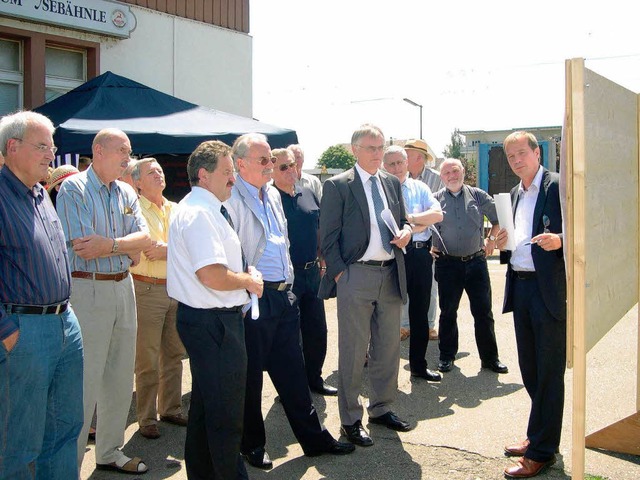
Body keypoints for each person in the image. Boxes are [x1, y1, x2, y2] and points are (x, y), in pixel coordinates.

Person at [225, 133, 355, 470]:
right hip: (254, 297)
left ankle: (314, 439)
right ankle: (252, 445)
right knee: (251, 377)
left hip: (285, 294)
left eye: (271, 159)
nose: (271, 166)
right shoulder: (230, 199)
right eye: (263, 160)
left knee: (294, 373)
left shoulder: (269, 193)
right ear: (241, 164)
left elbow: (280, 243)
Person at [57, 128, 152, 475]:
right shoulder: (73, 188)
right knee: (85, 380)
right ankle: (71, 462)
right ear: (98, 150)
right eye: (122, 151)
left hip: (122, 286)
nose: (128, 158)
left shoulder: (126, 190)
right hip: (88, 289)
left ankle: (109, 451)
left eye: (129, 151)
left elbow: (144, 237)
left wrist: (112, 246)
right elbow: (84, 246)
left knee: (119, 374)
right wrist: (126, 246)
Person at [167, 140, 263, 479]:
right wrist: (248, 282)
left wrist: (242, 276)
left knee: (207, 411)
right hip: (214, 325)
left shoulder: (203, 209)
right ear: (204, 175)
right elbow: (211, 275)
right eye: (228, 172)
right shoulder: (199, 213)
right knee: (225, 417)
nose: (233, 179)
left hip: (210, 322)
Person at [0, 110, 84, 479]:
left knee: (65, 428)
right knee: (19, 440)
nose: (51, 154)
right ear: (12, 147)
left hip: (64, 322)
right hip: (24, 329)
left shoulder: (41, 194)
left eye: (53, 146)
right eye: (42, 146)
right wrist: (6, 329)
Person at [319, 124, 413, 447]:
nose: (377, 154)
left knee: (388, 347)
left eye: (381, 148)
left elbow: (403, 221)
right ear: (354, 149)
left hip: (390, 273)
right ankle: (349, 419)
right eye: (371, 148)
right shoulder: (338, 186)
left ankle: (382, 408)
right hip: (355, 276)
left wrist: (407, 233)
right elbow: (327, 237)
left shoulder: (391, 183)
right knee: (354, 350)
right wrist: (340, 274)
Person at [496, 131, 566, 478]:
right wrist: (499, 242)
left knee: (549, 372)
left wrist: (562, 240)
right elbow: (513, 245)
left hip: (548, 289)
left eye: (522, 153)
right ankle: (539, 434)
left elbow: (585, 226)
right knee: (531, 370)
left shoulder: (557, 185)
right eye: (511, 157)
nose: (517, 160)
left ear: (537, 153)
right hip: (521, 287)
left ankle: (541, 452)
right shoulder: (513, 194)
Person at [431, 158, 508, 375]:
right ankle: (446, 357)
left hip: (476, 263)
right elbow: (424, 228)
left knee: (483, 312)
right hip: (447, 264)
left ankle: (490, 359)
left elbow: (498, 219)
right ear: (441, 177)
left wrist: (492, 240)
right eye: (446, 173)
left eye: (455, 171)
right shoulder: (434, 200)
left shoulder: (478, 195)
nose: (451, 176)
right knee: (447, 313)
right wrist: (429, 246)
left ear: (462, 171)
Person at [271, 148, 336, 396]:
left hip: (312, 273)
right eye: (283, 167)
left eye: (292, 165)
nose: (290, 171)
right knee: (289, 335)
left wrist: (323, 261)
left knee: (317, 330)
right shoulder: (270, 198)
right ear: (272, 171)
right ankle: (291, 387)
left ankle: (314, 379)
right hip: (287, 277)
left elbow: (319, 228)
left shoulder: (308, 192)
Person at [130, 158, 186, 440]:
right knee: (148, 357)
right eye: (151, 172)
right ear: (137, 181)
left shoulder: (175, 208)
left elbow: (188, 246)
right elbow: (146, 247)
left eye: (160, 171)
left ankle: (171, 408)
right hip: (146, 289)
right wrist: (169, 249)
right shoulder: (132, 208)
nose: (159, 175)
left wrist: (168, 249)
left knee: (174, 353)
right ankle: (146, 417)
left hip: (174, 288)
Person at [383, 146, 443, 382]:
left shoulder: (420, 188)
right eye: (391, 164)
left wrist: (410, 222)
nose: (396, 168)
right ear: (384, 167)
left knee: (419, 313)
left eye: (400, 162)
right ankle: (386, 372)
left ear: (407, 163)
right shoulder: (381, 190)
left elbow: (437, 215)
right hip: (392, 257)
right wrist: (419, 224)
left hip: (419, 256)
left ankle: (419, 365)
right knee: (387, 313)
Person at [405, 139, 443, 341]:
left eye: (407, 155)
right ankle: (405, 326)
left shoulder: (436, 179)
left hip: (429, 241)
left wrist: (416, 225)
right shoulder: (401, 178)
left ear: (418, 157)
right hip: (405, 242)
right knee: (403, 285)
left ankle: (428, 325)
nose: (404, 159)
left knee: (430, 286)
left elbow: (439, 212)